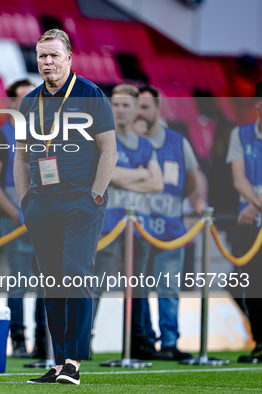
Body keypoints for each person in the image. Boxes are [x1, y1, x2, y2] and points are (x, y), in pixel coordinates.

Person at [15, 29, 117, 385]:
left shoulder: (90, 94)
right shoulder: (29, 101)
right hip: (41, 203)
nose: (47, 63)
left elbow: (109, 151)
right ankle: (59, 363)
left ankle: (73, 361)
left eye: (54, 56)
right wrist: (25, 200)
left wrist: (95, 197)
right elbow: (23, 156)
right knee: (52, 283)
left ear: (69, 58)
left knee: (77, 275)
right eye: (42, 56)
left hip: (80, 203)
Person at [90, 85, 164, 357]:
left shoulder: (145, 144)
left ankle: (138, 343)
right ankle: (84, 340)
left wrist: (123, 175)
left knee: (139, 287)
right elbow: (107, 174)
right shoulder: (99, 138)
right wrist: (140, 174)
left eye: (126, 105)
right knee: (95, 285)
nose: (120, 109)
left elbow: (157, 183)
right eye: (116, 104)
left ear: (135, 109)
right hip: (106, 225)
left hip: (139, 226)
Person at [0, 78, 47, 359]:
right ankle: (19, 340)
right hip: (16, 221)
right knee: (20, 280)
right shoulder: (0, 135)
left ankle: (44, 341)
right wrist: (14, 213)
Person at [131, 85, 199, 361]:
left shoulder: (177, 141)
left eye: (145, 107)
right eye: (137, 107)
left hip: (171, 229)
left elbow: (194, 179)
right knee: (139, 288)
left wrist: (192, 201)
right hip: (139, 231)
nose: (140, 113)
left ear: (158, 109)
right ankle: (145, 341)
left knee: (168, 288)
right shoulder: (129, 142)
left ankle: (170, 342)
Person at [226, 81, 262, 361]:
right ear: (260, 105)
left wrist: (258, 205)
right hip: (248, 222)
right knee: (240, 283)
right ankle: (260, 340)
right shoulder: (241, 134)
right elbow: (238, 179)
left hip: (253, 213)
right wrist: (256, 206)